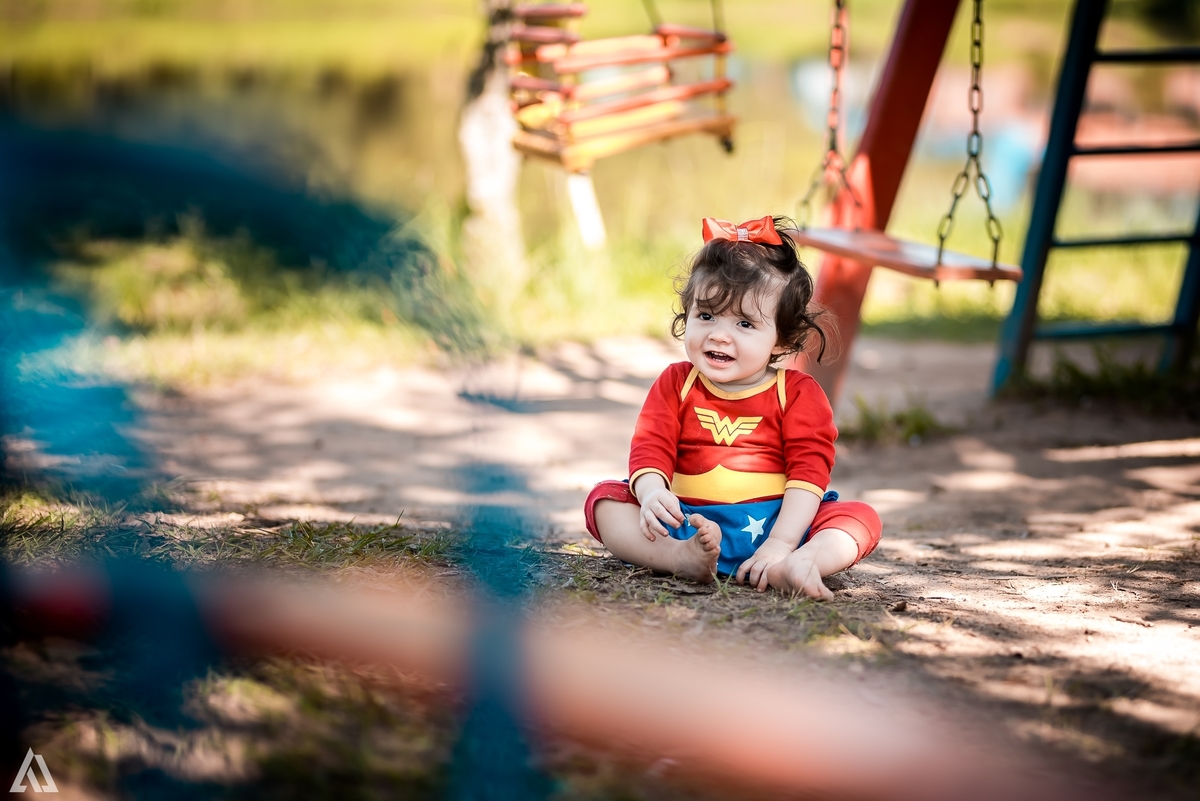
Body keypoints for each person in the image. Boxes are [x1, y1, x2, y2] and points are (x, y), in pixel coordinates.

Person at [583, 215, 881, 600]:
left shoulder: (797, 393)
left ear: (780, 338)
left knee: (859, 518)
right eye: (705, 315)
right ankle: (679, 558)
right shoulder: (677, 382)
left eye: (744, 323)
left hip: (779, 526)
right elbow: (650, 446)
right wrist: (654, 491)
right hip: (688, 521)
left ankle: (801, 563)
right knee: (606, 501)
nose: (719, 334)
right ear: (686, 314)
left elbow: (810, 472)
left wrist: (782, 542)